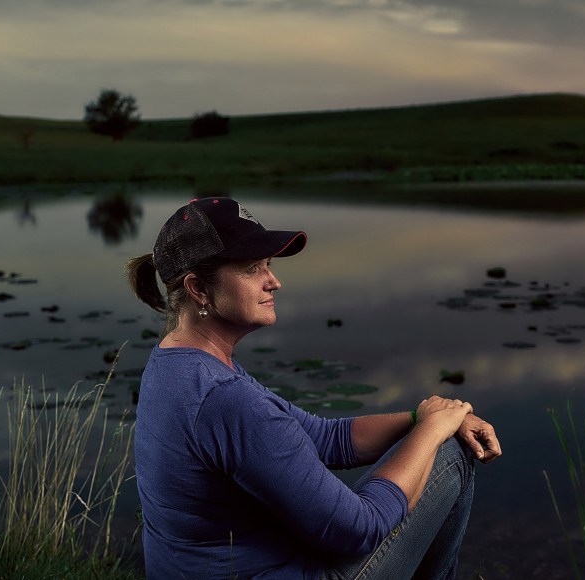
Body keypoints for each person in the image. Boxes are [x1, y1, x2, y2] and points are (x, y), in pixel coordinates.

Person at [125, 197, 502, 579]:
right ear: (199, 289)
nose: (274, 281)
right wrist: (434, 430)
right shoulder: (224, 397)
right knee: (452, 451)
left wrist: (419, 417)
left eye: (268, 265)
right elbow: (361, 530)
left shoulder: (174, 362)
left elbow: (325, 438)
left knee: (442, 434)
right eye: (251, 267)